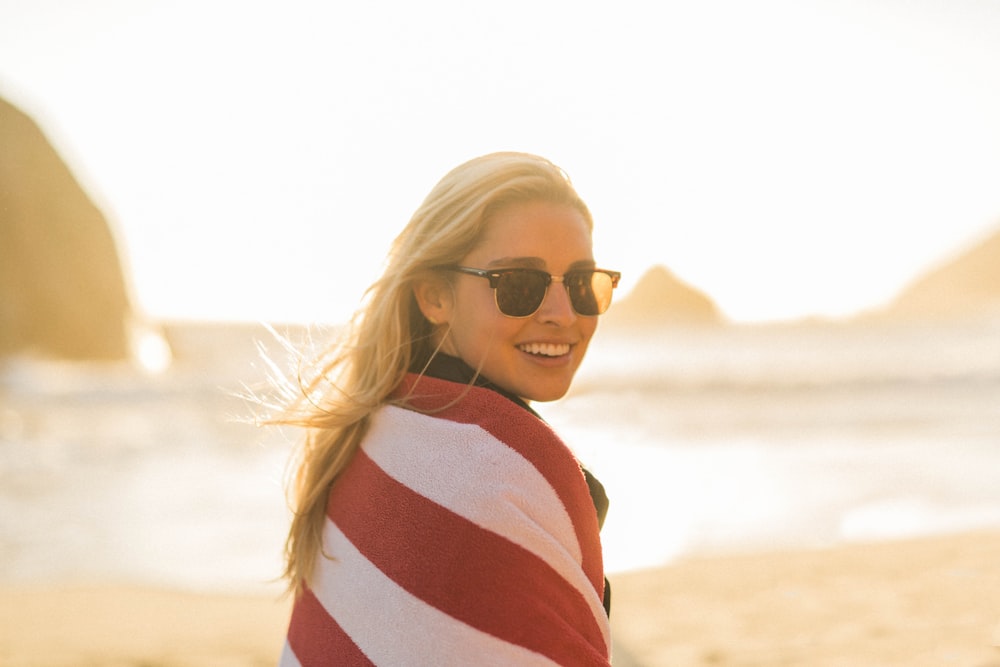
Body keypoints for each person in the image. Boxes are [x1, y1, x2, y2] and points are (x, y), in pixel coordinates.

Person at [274, 152, 621, 666]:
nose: (563, 314)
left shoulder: (370, 433)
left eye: (581, 284)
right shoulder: (510, 469)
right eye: (519, 285)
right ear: (434, 295)